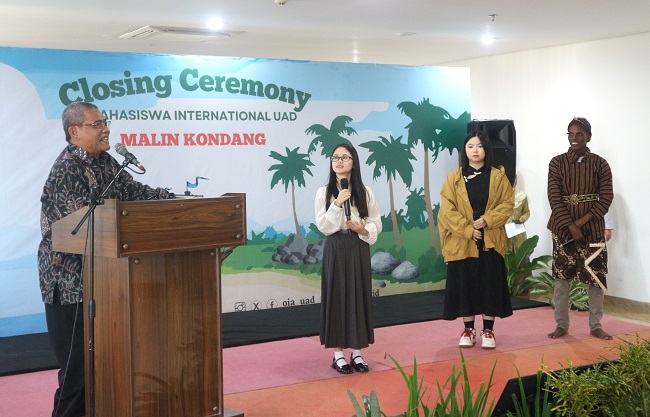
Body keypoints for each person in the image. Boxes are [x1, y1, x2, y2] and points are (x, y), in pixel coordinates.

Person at [38, 102, 175, 417]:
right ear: (75, 131)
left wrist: (172, 199)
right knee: (78, 372)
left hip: (104, 281)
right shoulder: (66, 168)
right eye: (97, 123)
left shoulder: (106, 162)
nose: (106, 128)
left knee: (104, 367)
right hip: (69, 282)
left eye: (105, 121)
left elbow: (134, 193)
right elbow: (74, 226)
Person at [438, 130, 514, 349]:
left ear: (486, 149)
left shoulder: (498, 176)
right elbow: (446, 210)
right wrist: (466, 229)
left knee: (490, 285)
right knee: (466, 286)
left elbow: (507, 204)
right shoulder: (454, 177)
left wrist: (487, 220)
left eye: (479, 146)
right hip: (463, 241)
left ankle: (488, 330)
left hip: (490, 241)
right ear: (465, 150)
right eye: (470, 146)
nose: (475, 150)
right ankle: (468, 329)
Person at [314, 143, 382, 374]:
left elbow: (376, 222)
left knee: (358, 296)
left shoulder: (365, 191)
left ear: (354, 161)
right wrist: (336, 204)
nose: (339, 161)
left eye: (345, 157)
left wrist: (363, 230)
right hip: (335, 246)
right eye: (335, 157)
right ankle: (338, 355)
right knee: (337, 296)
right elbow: (323, 226)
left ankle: (358, 353)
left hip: (357, 246)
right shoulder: (324, 192)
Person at [547, 117, 613, 340]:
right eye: (571, 134)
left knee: (596, 277)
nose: (575, 139)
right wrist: (569, 226)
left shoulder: (600, 164)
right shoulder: (556, 163)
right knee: (561, 278)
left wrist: (580, 224)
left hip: (593, 230)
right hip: (562, 230)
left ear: (589, 137)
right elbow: (554, 198)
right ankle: (561, 324)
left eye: (580, 135)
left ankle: (595, 325)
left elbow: (606, 198)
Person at [506, 174, 531, 253]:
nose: (514, 182)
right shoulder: (500, 197)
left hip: (518, 232)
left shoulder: (522, 195)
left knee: (521, 256)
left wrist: (523, 218)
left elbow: (527, 212)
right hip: (504, 232)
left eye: (515, 179)